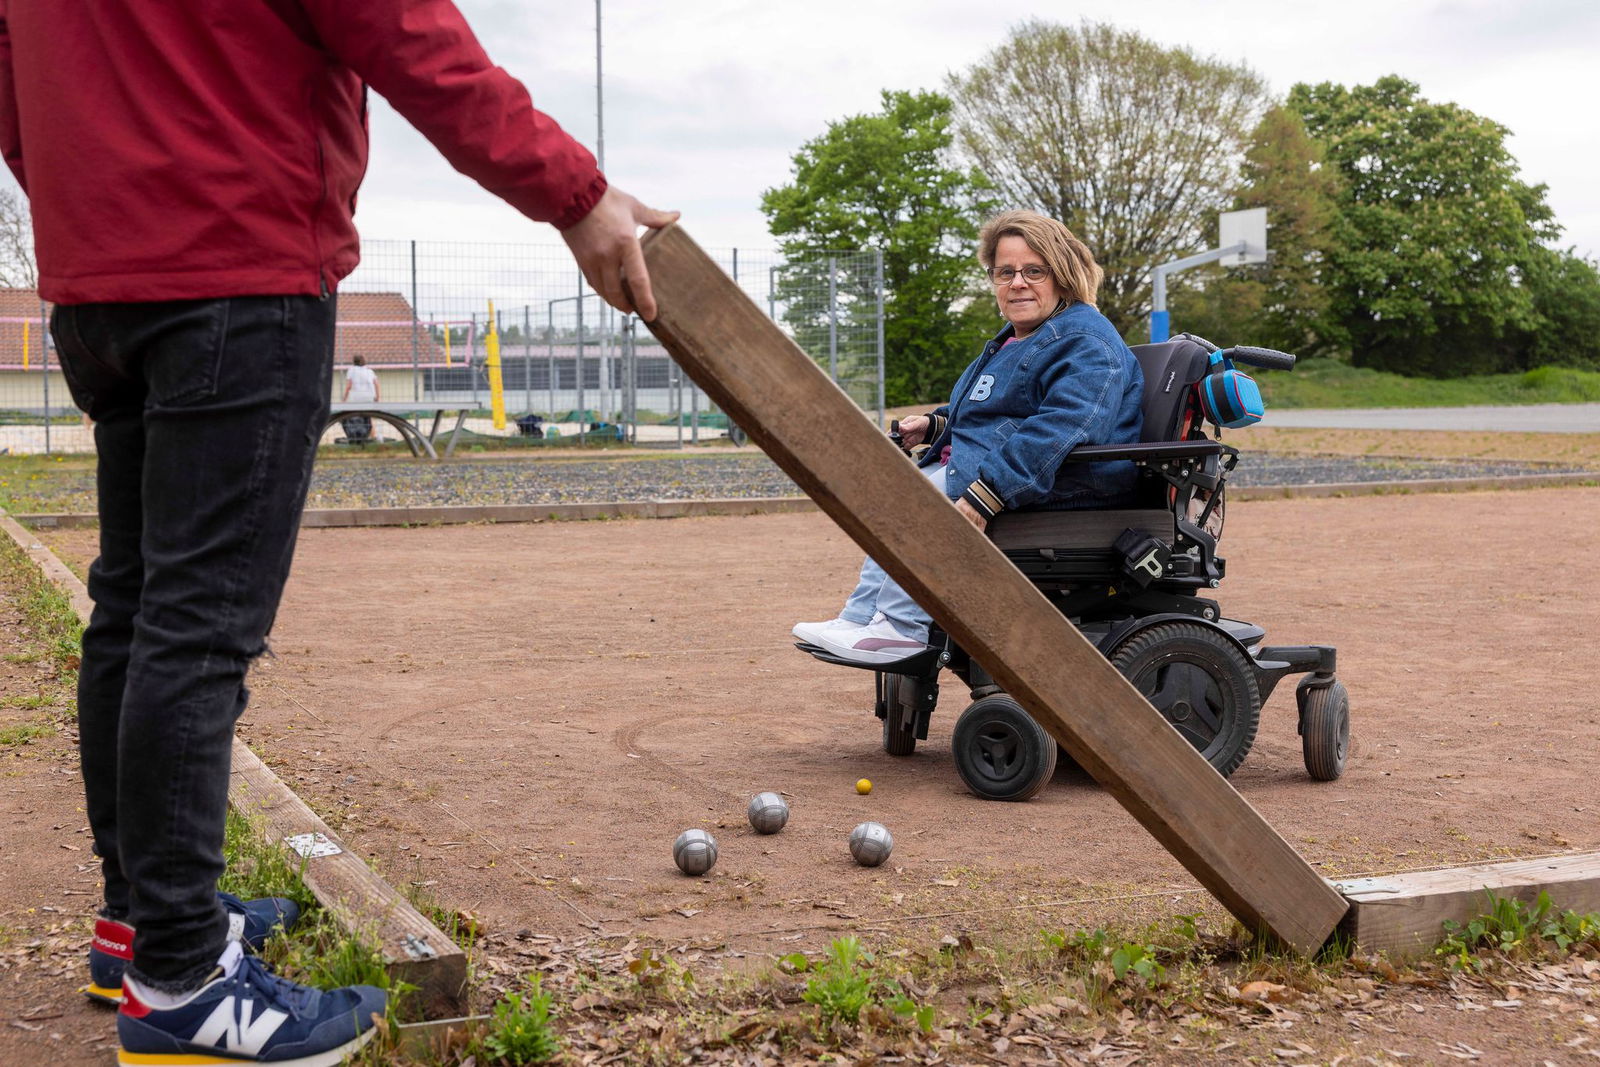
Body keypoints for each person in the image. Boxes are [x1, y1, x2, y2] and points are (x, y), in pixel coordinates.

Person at [0, 2, 675, 1064]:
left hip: (104, 281)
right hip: (236, 266)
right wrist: (575, 196)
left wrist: (107, 191)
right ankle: (180, 981)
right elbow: (405, 31)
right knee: (194, 628)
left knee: (132, 609)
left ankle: (140, 923)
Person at [793, 210, 1143, 666]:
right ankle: (861, 618)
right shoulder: (1020, 337)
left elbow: (1062, 430)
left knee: (923, 506)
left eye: (1034, 271)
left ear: (1063, 276)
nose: (1018, 283)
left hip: (1066, 483)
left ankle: (901, 629)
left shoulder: (1086, 342)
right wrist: (937, 425)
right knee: (898, 495)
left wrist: (986, 494)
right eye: (1005, 272)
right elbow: (997, 410)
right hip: (1007, 466)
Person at [341, 353, 381, 442]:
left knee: (355, 417)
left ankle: (357, 437)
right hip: (369, 397)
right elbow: (376, 384)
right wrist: (377, 397)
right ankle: (372, 437)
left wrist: (344, 399)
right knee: (368, 417)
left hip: (356, 398)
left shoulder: (351, 370)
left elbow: (349, 386)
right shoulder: (369, 371)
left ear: (353, 361)